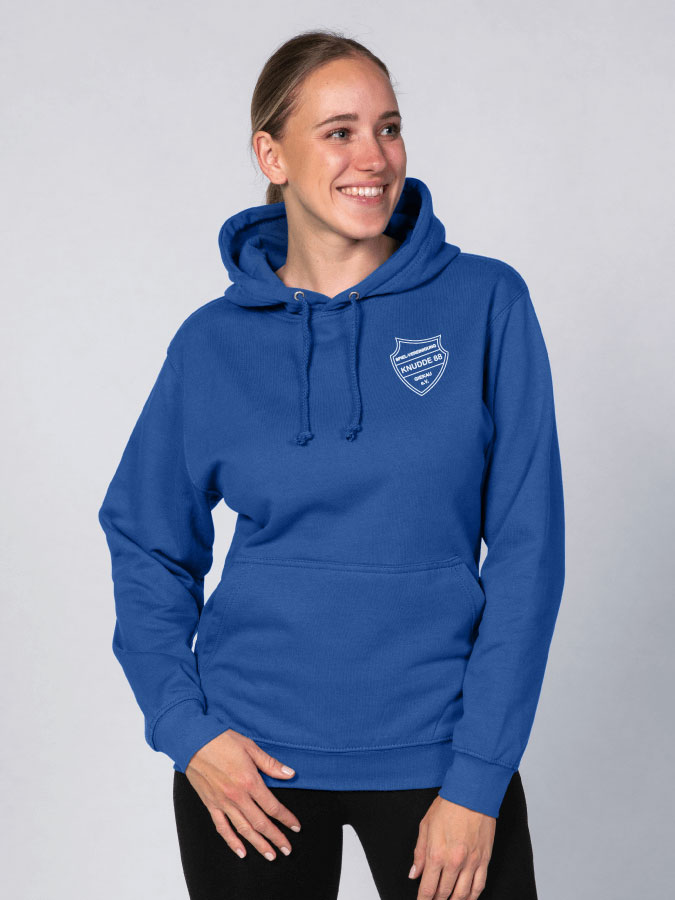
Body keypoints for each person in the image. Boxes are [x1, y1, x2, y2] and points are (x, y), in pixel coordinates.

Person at [98, 29, 565, 900]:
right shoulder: (211, 343)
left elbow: (528, 552)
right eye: (339, 132)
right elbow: (146, 540)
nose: (373, 157)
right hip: (249, 767)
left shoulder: (484, 302)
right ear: (271, 155)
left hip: (441, 756)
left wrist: (479, 776)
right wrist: (187, 729)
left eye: (387, 128)